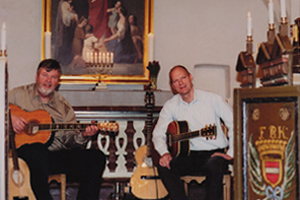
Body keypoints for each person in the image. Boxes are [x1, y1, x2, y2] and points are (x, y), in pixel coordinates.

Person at [8, 59, 106, 200]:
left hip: (54, 157)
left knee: (96, 157)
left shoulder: (63, 107)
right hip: (24, 155)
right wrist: (10, 115)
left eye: (53, 77)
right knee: (37, 150)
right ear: (37, 76)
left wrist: (83, 135)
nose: (48, 81)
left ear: (58, 82)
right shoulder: (18, 94)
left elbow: (71, 141)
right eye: (45, 75)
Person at [152, 65, 233, 200]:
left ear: (191, 77)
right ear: (173, 86)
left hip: (213, 154)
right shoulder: (171, 106)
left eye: (183, 78)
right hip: (188, 155)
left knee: (215, 165)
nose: (181, 83)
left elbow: (234, 123)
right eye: (176, 81)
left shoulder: (212, 99)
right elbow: (158, 134)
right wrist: (164, 153)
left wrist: (230, 153)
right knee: (164, 166)